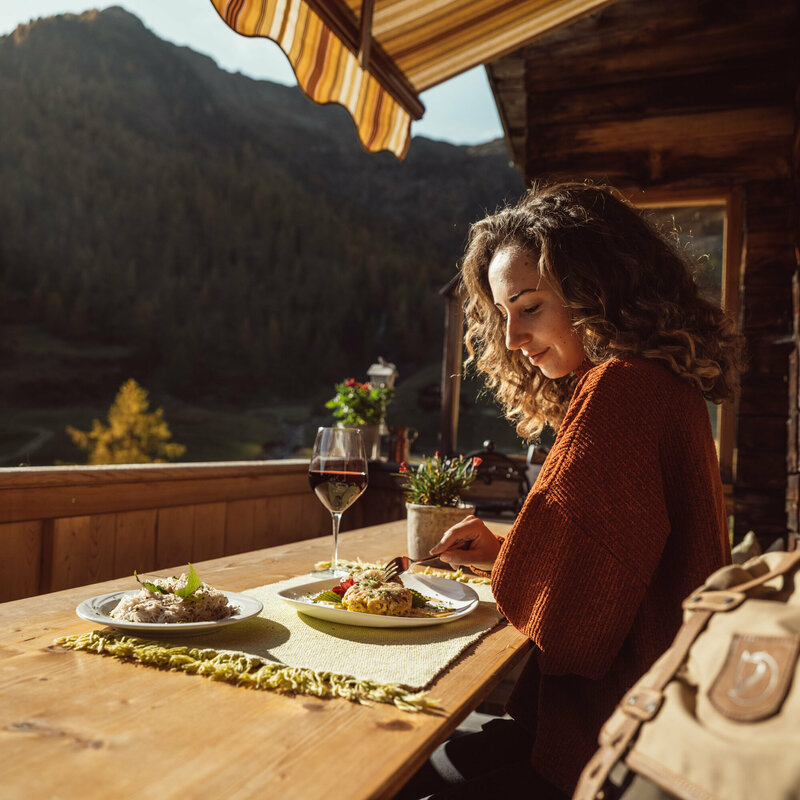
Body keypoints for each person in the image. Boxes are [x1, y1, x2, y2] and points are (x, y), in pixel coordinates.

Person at [397, 182, 743, 800]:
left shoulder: (622, 391)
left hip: (606, 754)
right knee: (425, 758)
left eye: (529, 307)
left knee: (397, 755)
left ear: (597, 290)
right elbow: (614, 569)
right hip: (644, 727)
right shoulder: (664, 386)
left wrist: (521, 562)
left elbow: (567, 621)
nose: (510, 339)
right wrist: (511, 550)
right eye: (503, 314)